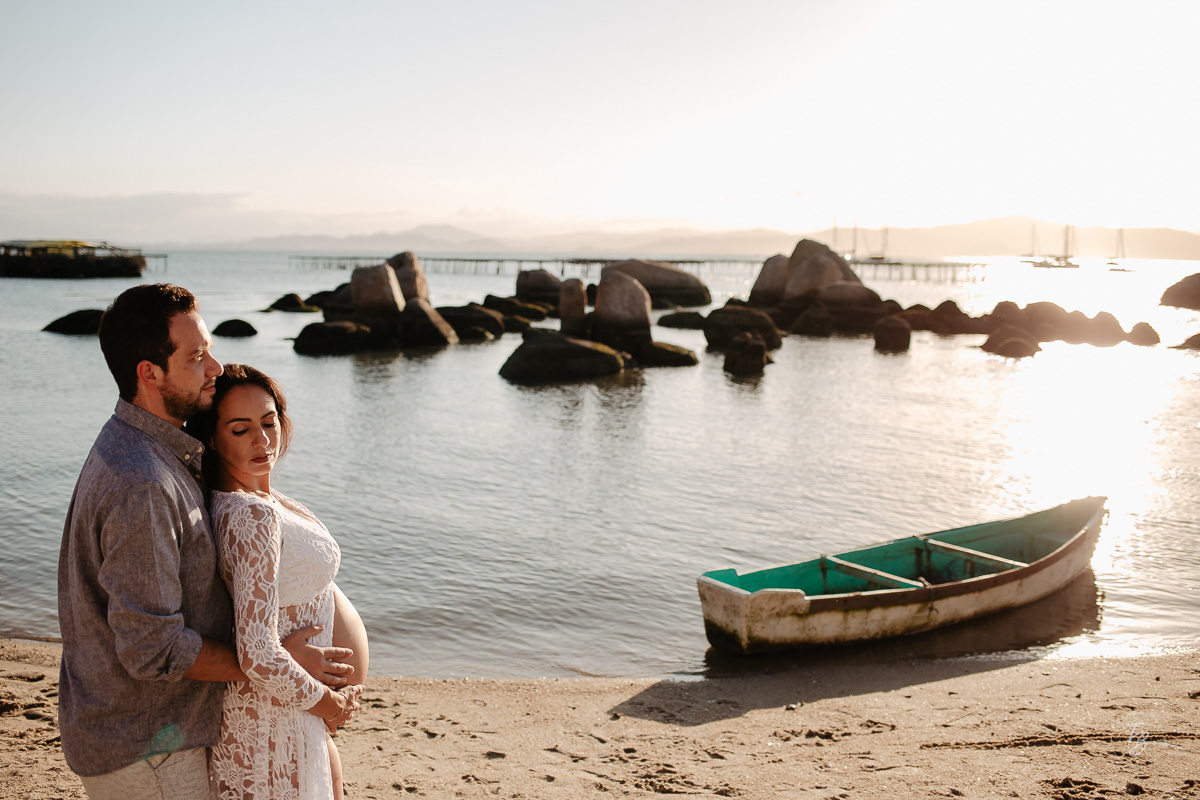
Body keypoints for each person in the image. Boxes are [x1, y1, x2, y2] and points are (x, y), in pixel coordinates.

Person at [57, 284, 355, 800]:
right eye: (196, 356)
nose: (214, 367)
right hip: (150, 748)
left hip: (152, 736)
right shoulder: (143, 481)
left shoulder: (154, 454)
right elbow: (153, 649)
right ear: (149, 373)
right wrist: (278, 662)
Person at [187, 363, 368, 800]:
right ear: (212, 439)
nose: (262, 440)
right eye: (240, 429)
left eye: (268, 423)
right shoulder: (251, 514)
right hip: (275, 720)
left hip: (288, 711)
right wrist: (329, 703)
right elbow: (258, 652)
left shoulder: (255, 501)